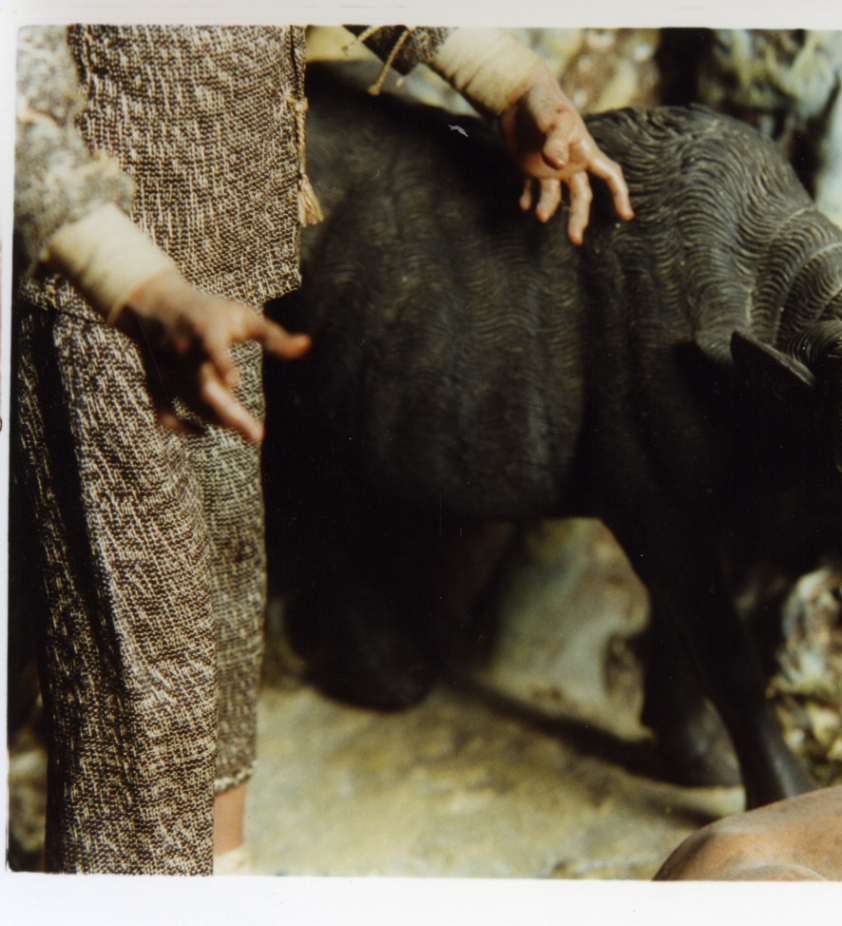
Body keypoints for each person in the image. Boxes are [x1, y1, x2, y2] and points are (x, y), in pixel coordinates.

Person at [12, 24, 632, 875]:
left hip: (223, 290)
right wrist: (137, 286)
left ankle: (221, 870)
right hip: (91, 304)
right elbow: (18, 119)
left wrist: (517, 83)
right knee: (139, 665)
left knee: (221, 608)